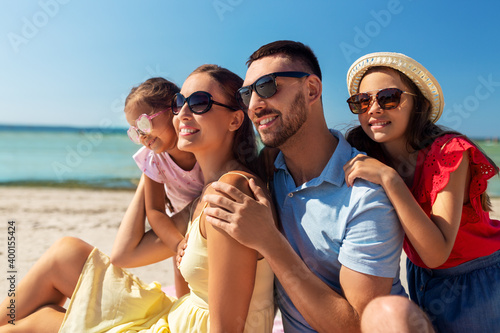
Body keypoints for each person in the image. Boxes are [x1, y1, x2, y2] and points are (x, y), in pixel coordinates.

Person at [0, 64, 276, 332]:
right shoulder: (208, 191)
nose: (183, 113)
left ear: (235, 119)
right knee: (65, 253)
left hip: (182, 325)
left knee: (23, 326)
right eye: (180, 103)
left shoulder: (229, 193)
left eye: (201, 102)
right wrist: (150, 169)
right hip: (178, 315)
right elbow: (134, 246)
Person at [202, 40, 406, 332]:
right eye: (247, 94)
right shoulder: (272, 167)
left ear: (312, 90)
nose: (254, 105)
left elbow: (358, 327)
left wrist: (269, 242)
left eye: (268, 87)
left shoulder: (365, 196)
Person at [343, 52, 500, 332]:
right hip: (421, 275)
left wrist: (390, 179)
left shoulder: (448, 153)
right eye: (362, 101)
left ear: (419, 106)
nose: (374, 108)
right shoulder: (371, 153)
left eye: (389, 97)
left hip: (476, 279)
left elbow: (436, 252)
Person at [111, 77, 204, 298]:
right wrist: (176, 244)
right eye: (134, 131)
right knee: (183, 276)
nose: (142, 135)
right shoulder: (154, 160)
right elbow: (154, 211)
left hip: (205, 217)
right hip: (176, 226)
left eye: (143, 123)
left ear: (175, 108)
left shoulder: (202, 143)